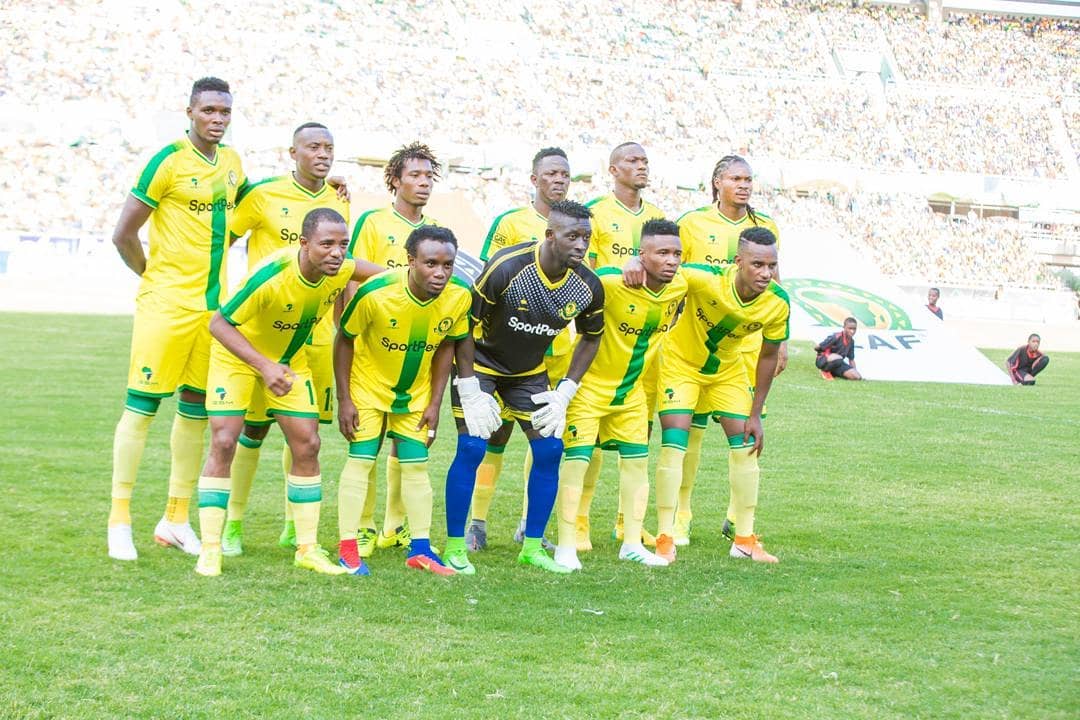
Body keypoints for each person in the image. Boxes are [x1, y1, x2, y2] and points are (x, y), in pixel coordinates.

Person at [193, 208, 383, 577]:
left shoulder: (341, 268)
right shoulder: (273, 274)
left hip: (290, 362)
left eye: (343, 244)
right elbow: (219, 324)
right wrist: (264, 367)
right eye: (326, 244)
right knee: (225, 441)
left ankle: (307, 549)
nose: (336, 252)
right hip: (237, 357)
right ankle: (211, 548)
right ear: (304, 243)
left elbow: (390, 276)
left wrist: (423, 276)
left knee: (308, 444)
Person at [107, 77, 247, 561]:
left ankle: (175, 518)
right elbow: (123, 234)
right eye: (209, 110)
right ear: (190, 112)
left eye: (224, 112)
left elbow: (252, 211)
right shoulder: (166, 161)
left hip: (213, 312)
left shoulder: (233, 164)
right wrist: (153, 276)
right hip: (166, 305)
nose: (217, 119)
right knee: (142, 408)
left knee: (195, 411)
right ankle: (119, 520)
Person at [443, 200, 605, 575]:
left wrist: (566, 390)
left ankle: (531, 547)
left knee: (550, 450)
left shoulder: (588, 285)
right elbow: (464, 324)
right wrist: (469, 385)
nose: (581, 245)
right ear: (550, 235)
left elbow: (591, 337)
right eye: (573, 236)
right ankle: (454, 547)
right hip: (480, 366)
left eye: (586, 237)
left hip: (528, 373)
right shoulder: (507, 266)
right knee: (472, 447)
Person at [218, 122, 350, 557]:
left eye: (329, 147)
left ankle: (295, 527)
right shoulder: (263, 194)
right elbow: (222, 242)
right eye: (313, 147)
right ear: (293, 152)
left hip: (315, 336)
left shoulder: (338, 199)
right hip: (263, 333)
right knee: (252, 430)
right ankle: (232, 524)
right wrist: (221, 295)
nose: (323, 154)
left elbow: (343, 269)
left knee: (305, 435)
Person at [335, 226, 472, 576]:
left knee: (416, 466)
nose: (440, 273)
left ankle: (420, 549)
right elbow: (345, 339)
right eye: (430, 263)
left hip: (415, 394)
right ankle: (348, 549)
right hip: (367, 388)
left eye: (447, 265)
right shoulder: (375, 292)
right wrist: (345, 398)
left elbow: (447, 346)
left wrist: (435, 403)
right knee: (361, 460)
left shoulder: (459, 296)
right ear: (411, 261)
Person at [650, 226, 789, 564]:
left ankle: (744, 540)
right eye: (757, 264)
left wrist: (755, 413)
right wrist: (635, 266)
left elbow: (768, 356)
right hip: (681, 366)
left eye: (771, 266)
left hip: (726, 371)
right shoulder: (704, 278)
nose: (766, 273)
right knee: (675, 444)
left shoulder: (777, 302)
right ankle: (665, 537)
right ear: (738, 262)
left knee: (746, 447)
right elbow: (662, 275)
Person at [554, 219, 685, 571]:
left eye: (676, 254)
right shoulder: (611, 282)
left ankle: (631, 543)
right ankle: (565, 545)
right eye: (662, 253)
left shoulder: (680, 285)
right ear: (642, 254)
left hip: (631, 393)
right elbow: (577, 281)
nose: (671, 261)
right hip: (587, 389)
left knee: (637, 464)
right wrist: (626, 264)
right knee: (577, 463)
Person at [670, 154, 786, 546]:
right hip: (698, 341)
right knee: (692, 431)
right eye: (736, 178)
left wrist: (781, 343)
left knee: (748, 432)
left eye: (748, 179)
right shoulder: (692, 223)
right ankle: (681, 516)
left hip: (748, 346)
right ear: (717, 182)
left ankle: (737, 520)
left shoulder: (764, 225)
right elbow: (677, 277)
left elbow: (776, 282)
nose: (744, 185)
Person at [467, 147, 572, 552]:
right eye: (551, 173)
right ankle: (477, 522)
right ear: (534, 179)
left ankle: (531, 525)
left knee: (544, 436)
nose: (559, 180)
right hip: (505, 352)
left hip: (554, 352)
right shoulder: (510, 223)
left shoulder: (578, 226)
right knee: (494, 434)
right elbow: (486, 277)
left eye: (564, 174)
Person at [345, 141, 441, 559]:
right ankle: (362, 527)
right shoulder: (373, 222)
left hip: (415, 353)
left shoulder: (436, 230)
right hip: (372, 350)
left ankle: (394, 525)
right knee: (369, 441)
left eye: (428, 176)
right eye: (414, 175)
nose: (423, 183)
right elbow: (350, 275)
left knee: (407, 444)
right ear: (395, 180)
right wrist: (348, 329)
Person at [581, 141, 666, 550]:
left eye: (645, 161)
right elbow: (585, 270)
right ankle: (579, 522)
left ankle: (625, 523)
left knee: (640, 430)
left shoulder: (658, 217)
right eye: (633, 160)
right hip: (604, 333)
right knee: (589, 434)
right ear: (613, 169)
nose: (641, 166)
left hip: (645, 342)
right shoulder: (595, 213)